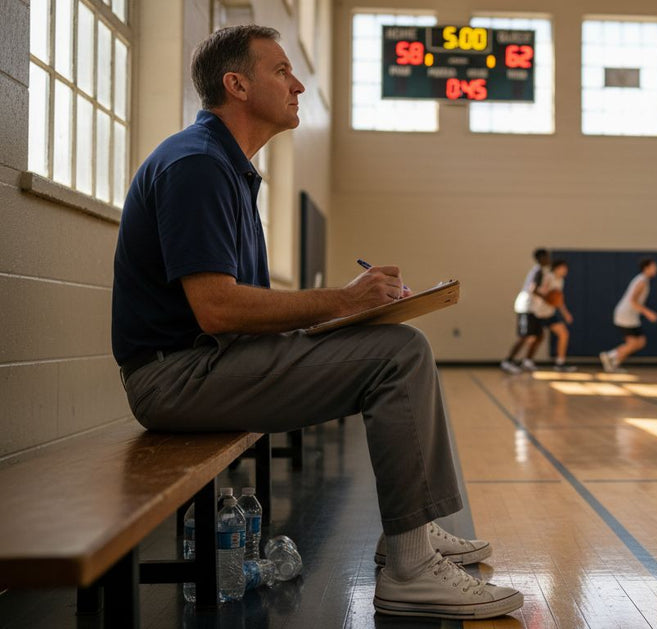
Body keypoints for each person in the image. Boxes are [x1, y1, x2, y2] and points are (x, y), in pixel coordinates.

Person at [111, 26, 522, 620]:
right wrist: (341, 302)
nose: (298, 83)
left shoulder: (226, 167)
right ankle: (409, 569)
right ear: (237, 85)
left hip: (205, 365)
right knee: (399, 353)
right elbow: (218, 309)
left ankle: (413, 533)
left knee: (398, 342)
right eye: (281, 71)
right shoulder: (197, 165)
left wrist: (350, 317)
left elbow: (232, 315)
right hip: (175, 380)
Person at [600, 258, 657, 373]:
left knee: (640, 342)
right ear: (646, 268)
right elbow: (633, 301)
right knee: (633, 343)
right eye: (653, 266)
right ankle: (609, 356)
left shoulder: (644, 280)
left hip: (631, 316)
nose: (656, 269)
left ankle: (613, 361)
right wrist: (648, 313)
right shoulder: (641, 281)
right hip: (625, 315)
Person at [500, 248, 550, 374]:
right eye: (547, 257)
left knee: (539, 335)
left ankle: (527, 361)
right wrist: (547, 298)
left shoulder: (539, 271)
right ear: (541, 258)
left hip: (533, 308)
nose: (549, 259)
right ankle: (508, 361)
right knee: (524, 336)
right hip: (526, 306)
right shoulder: (538, 271)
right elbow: (533, 290)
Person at [529, 260, 576, 372]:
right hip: (539, 312)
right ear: (556, 268)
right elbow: (537, 291)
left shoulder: (560, 281)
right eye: (563, 268)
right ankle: (527, 360)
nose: (565, 270)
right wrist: (547, 297)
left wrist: (565, 313)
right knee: (535, 338)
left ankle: (560, 363)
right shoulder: (548, 277)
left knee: (563, 333)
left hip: (549, 313)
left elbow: (558, 299)